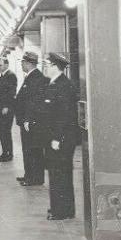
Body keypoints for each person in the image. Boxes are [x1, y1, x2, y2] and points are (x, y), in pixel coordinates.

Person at [38, 52, 80, 220]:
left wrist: (56, 138)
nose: (46, 68)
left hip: (60, 139)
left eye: (47, 65)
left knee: (60, 175)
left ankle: (61, 211)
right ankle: (62, 209)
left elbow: (64, 115)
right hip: (55, 138)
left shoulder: (64, 86)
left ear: (56, 67)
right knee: (58, 174)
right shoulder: (55, 84)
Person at [14, 51, 48, 185]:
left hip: (31, 123)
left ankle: (34, 178)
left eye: (23, 62)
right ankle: (29, 175)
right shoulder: (31, 77)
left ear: (28, 63)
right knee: (29, 150)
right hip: (28, 121)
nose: (22, 64)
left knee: (33, 150)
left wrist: (28, 119)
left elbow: (33, 102)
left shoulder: (36, 78)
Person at [0, 56, 17, 161]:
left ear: (6, 65)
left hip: (6, 109)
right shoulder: (2, 76)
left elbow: (11, 92)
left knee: (6, 131)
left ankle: (9, 154)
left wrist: (6, 106)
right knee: (2, 132)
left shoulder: (11, 76)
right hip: (1, 108)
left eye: (0, 65)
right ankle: (4, 152)